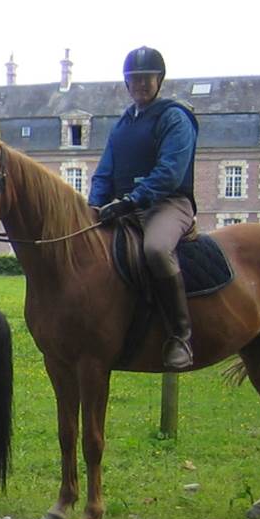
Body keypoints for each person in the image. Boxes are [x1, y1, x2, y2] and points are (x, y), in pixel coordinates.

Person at [88, 45, 199, 371]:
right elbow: (104, 171)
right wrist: (95, 205)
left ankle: (180, 335)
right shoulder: (122, 124)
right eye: (133, 79)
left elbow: (170, 172)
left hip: (168, 203)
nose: (139, 84)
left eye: (146, 78)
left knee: (155, 248)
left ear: (158, 80)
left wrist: (133, 199)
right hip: (124, 207)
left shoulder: (174, 117)